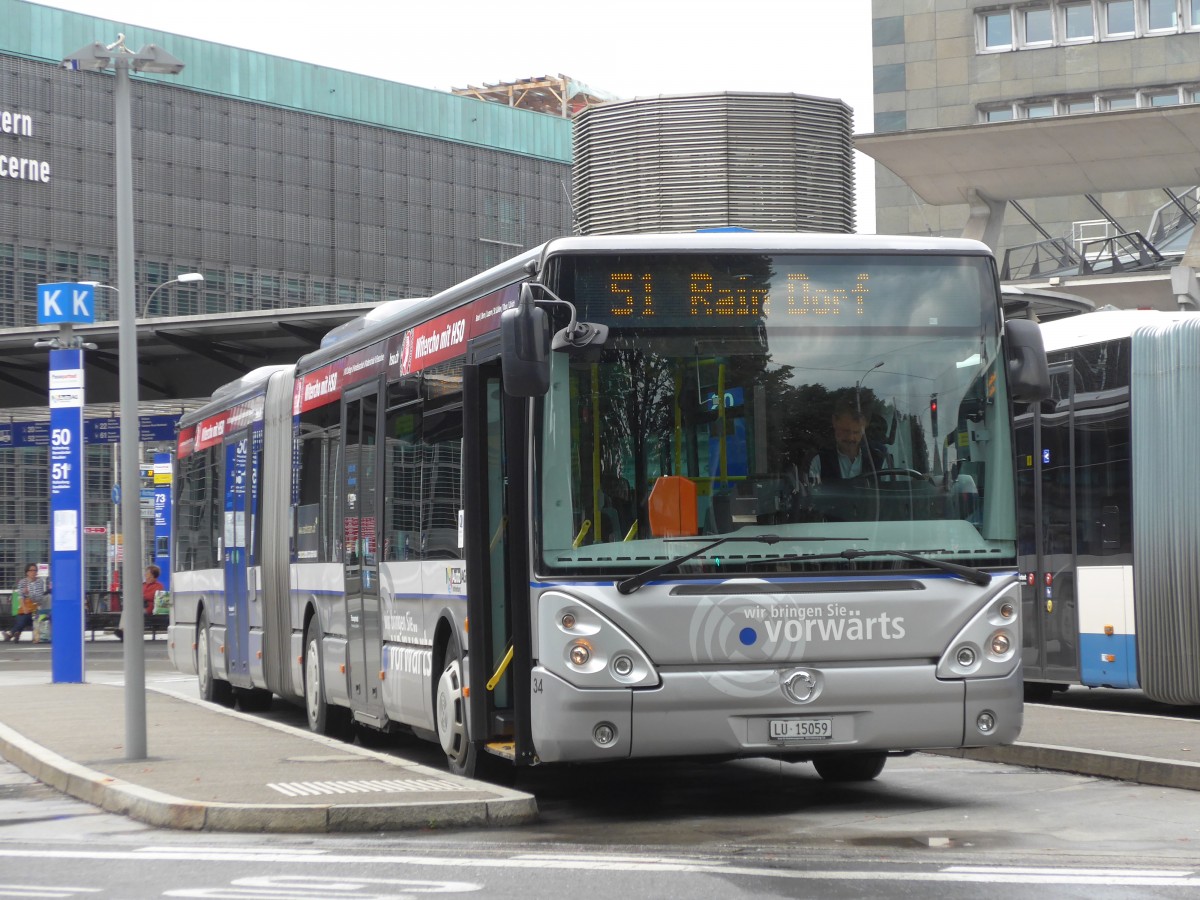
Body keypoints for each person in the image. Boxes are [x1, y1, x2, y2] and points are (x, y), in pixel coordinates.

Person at [808, 397, 886, 484]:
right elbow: (813, 495)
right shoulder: (819, 461)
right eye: (845, 431)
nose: (850, 438)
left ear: (864, 428)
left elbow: (889, 494)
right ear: (834, 422)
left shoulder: (879, 459)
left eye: (856, 432)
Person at [4, 563, 45, 643]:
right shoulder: (22, 582)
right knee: (23, 616)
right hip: (24, 608)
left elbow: (39, 598)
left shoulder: (40, 582)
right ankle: (16, 633)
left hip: (36, 609)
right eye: (31, 570)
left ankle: (12, 633)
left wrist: (28, 594)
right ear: (27, 572)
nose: (33, 572)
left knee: (25, 618)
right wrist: (25, 607)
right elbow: (20, 597)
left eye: (35, 570)